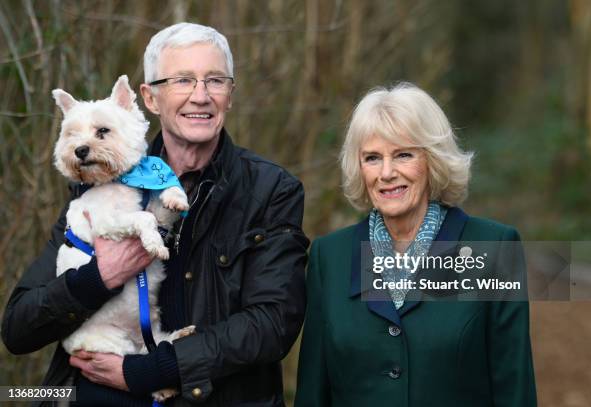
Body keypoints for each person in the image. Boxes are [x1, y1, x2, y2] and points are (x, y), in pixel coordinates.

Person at [2, 23, 308, 406]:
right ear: (149, 97)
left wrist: (149, 371)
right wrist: (99, 278)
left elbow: (273, 322)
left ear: (230, 94)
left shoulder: (270, 190)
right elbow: (18, 328)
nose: (200, 96)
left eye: (214, 80)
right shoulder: (99, 180)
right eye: (182, 81)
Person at [294, 83, 537, 406]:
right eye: (372, 158)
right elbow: (313, 393)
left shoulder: (493, 247)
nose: (387, 173)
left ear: (432, 160)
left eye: (403, 155)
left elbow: (515, 391)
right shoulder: (330, 257)